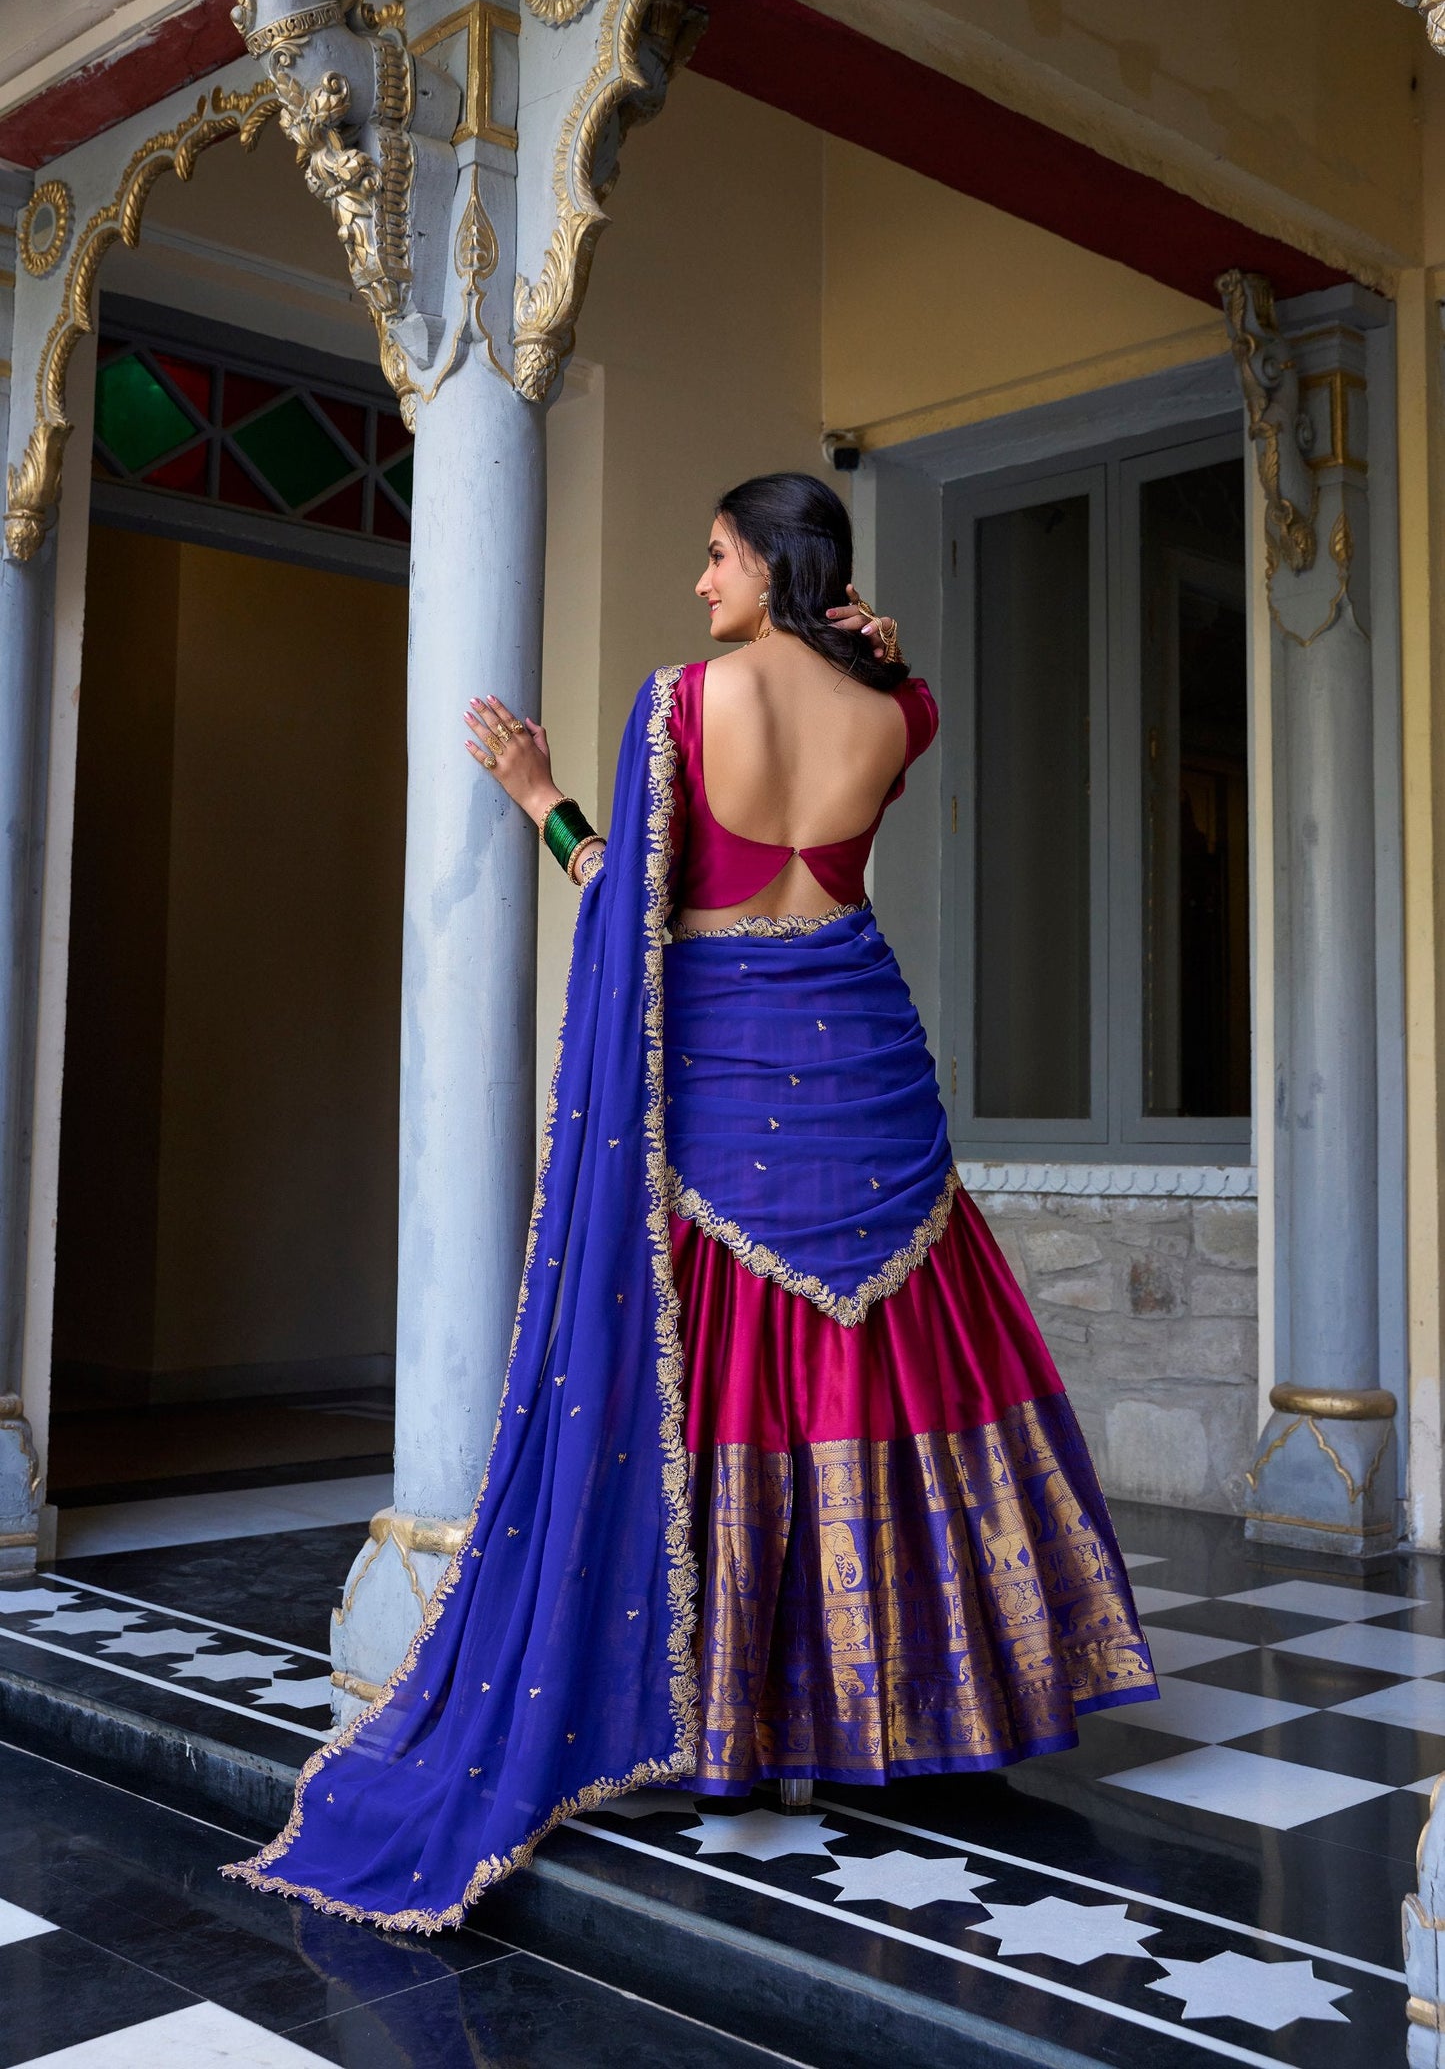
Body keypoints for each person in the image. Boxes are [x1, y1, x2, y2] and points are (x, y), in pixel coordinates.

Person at [223, 471, 1157, 1932]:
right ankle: (885, 1708)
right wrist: (878, 654)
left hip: (725, 1064)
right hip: (862, 1056)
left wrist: (541, 802)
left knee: (725, 1372)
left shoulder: (680, 703)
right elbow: (897, 701)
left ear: (773, 564)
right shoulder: (900, 716)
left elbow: (625, 905)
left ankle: (739, 1725)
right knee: (880, 1365)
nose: (702, 578)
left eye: (718, 554)